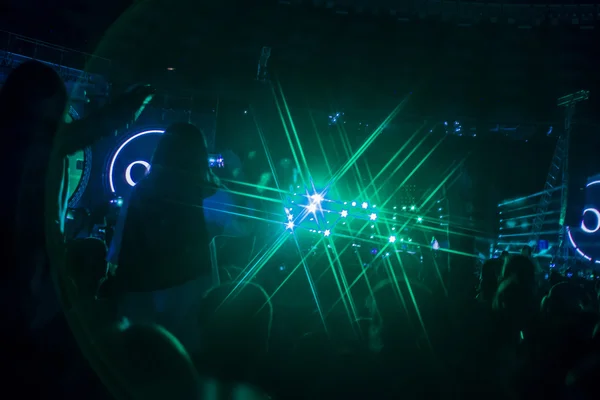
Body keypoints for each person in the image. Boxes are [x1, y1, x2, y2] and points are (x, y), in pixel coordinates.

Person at [110, 122, 221, 346]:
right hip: (189, 290)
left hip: (139, 290)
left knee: (138, 359)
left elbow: (117, 249)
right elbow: (242, 230)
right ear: (199, 152)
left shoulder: (139, 191)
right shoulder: (209, 195)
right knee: (182, 359)